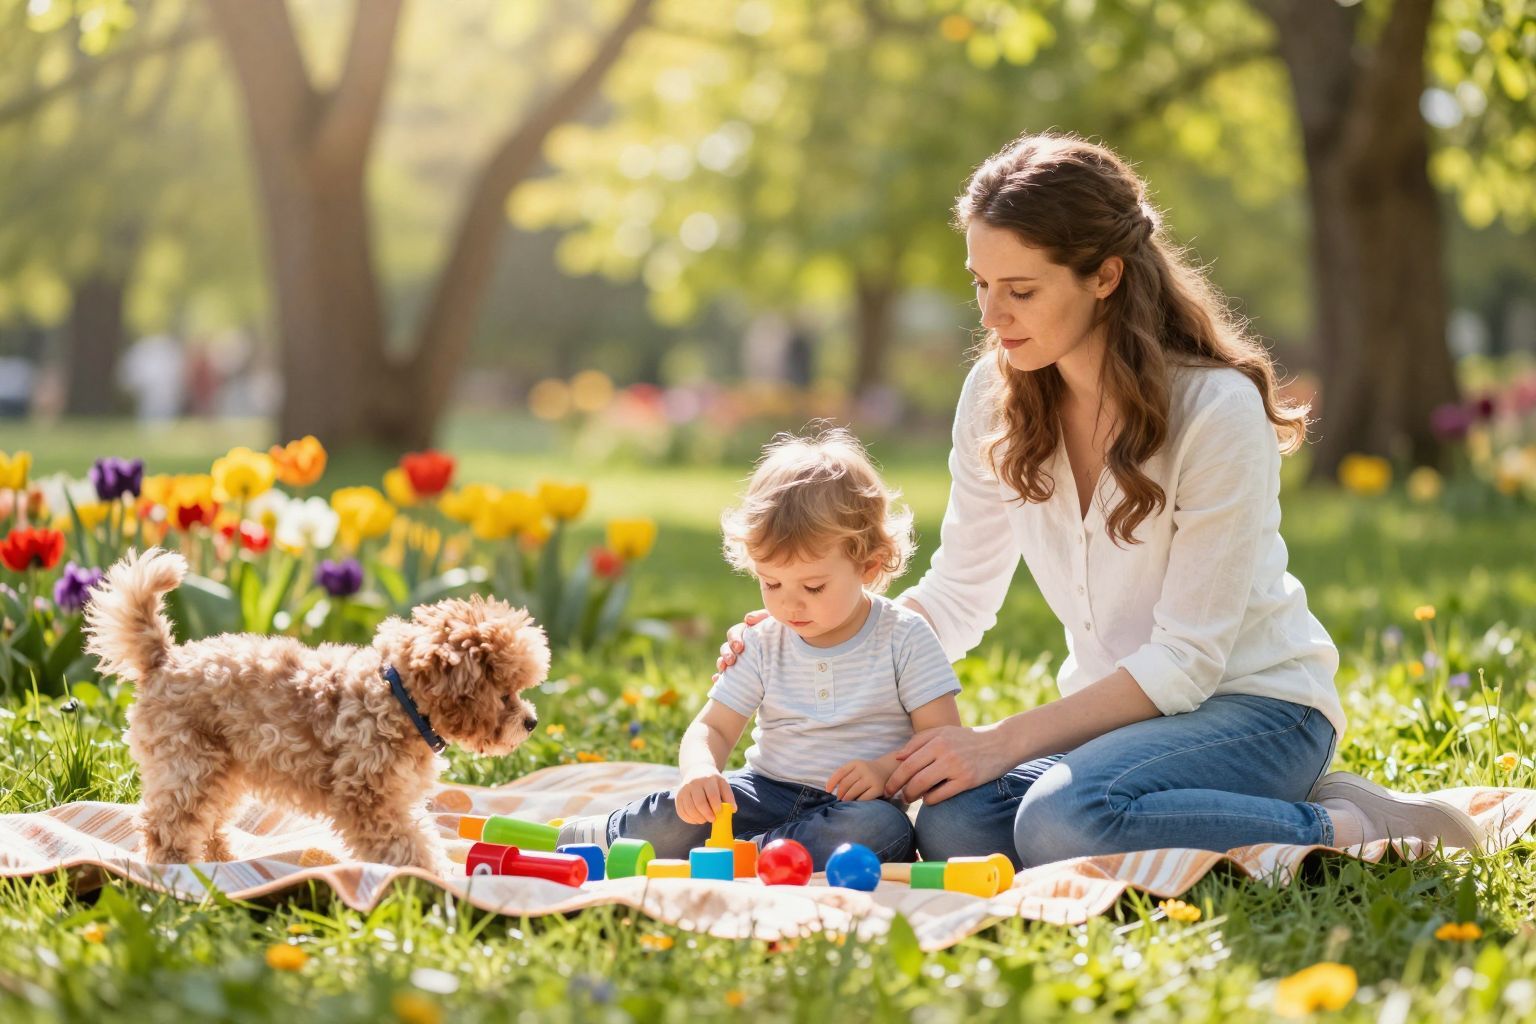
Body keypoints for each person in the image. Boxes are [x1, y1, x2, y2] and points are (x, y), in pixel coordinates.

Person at [714, 133, 1487, 869]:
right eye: (980, 284)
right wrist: (828, 629)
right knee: (953, 826)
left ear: (1105, 276)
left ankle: (1348, 826)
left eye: (1020, 290)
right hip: (1116, 721)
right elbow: (959, 594)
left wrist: (1001, 742)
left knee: (1063, 821)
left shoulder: (1214, 410)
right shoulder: (995, 395)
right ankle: (1198, 805)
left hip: (1259, 709)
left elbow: (1186, 662)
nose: (990, 315)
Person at [559, 428, 963, 868]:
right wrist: (700, 772)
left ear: (868, 564)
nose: (788, 603)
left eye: (813, 586)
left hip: (856, 805)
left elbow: (941, 738)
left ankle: (752, 852)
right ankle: (605, 833)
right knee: (682, 812)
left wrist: (885, 772)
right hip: (763, 790)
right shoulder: (762, 639)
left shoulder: (904, 635)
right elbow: (712, 728)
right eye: (770, 582)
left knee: (882, 831)